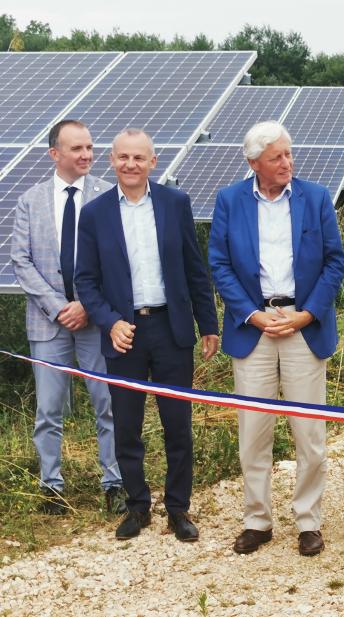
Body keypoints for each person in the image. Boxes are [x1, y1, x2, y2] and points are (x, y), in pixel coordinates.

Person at [75, 128, 219, 542]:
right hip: (124, 333)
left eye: (139, 158)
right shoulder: (96, 213)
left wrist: (207, 324)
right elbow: (86, 280)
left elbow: (195, 269)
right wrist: (109, 321)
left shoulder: (175, 204)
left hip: (171, 329)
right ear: (112, 160)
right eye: (123, 157)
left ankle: (178, 509)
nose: (131, 164)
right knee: (127, 426)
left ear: (153, 162)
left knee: (178, 425)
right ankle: (137, 507)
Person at [208, 121, 344, 557]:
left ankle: (308, 521)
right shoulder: (230, 200)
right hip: (255, 326)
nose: (287, 163)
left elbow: (334, 262)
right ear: (254, 164)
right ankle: (257, 520)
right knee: (253, 431)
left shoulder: (316, 197)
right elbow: (219, 264)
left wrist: (306, 314)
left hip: (303, 323)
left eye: (288, 154)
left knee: (309, 433)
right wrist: (252, 314)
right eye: (276, 157)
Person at [11, 120, 125, 515]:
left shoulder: (107, 197)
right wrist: (58, 306)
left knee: (107, 402)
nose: (86, 156)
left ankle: (114, 482)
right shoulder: (31, 200)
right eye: (77, 149)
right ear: (54, 154)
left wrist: (87, 305)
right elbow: (21, 261)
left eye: (90, 148)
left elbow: (115, 259)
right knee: (49, 408)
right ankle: (51, 485)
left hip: (95, 321)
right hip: (48, 322)